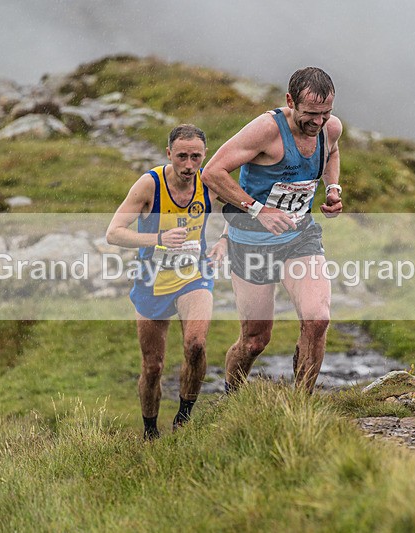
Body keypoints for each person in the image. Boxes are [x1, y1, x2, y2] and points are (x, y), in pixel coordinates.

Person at [201, 67, 343, 393]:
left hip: (299, 236)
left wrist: (333, 188)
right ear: (290, 101)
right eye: (310, 114)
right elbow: (213, 173)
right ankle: (232, 394)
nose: (318, 122)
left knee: (317, 319)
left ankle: (300, 407)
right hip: (251, 242)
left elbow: (332, 151)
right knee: (255, 341)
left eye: (325, 113)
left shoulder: (330, 128)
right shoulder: (266, 130)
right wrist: (259, 210)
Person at [106, 125, 224, 440]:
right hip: (152, 281)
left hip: (193, 276)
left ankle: (183, 419)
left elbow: (243, 213)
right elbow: (114, 232)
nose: (188, 165)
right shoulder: (150, 185)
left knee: (196, 344)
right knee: (153, 367)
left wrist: (224, 241)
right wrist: (158, 237)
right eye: (181, 156)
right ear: (168, 153)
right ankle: (150, 431)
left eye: (195, 157)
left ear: (204, 155)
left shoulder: (210, 182)